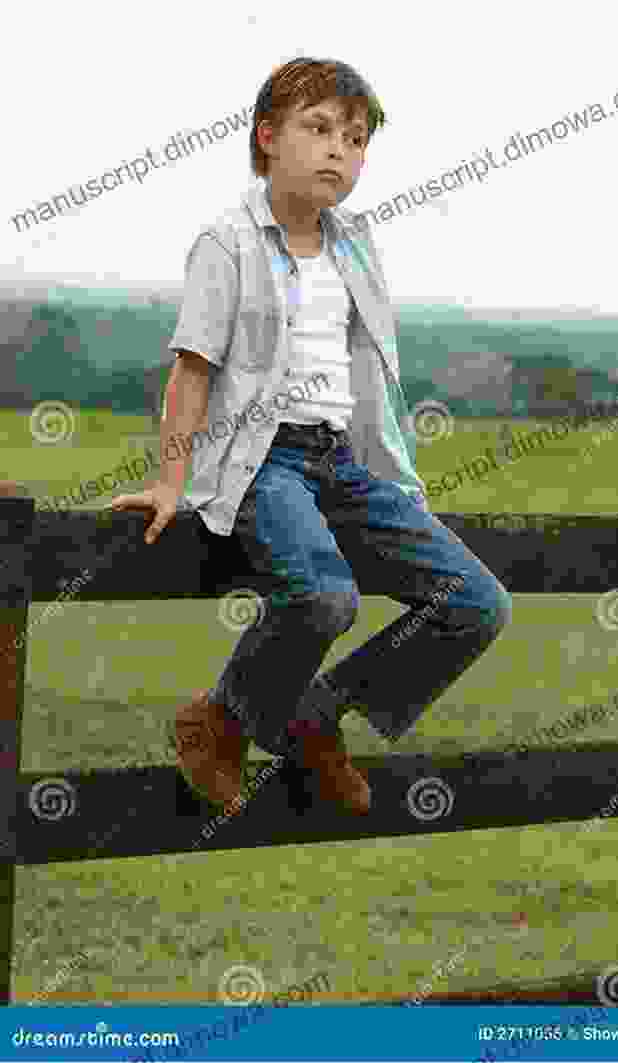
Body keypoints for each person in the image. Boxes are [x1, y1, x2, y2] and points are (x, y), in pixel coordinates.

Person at [107, 56, 513, 816]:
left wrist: (398, 484)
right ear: (267, 138)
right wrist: (171, 482)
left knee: (477, 602)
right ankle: (220, 716)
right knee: (324, 597)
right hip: (264, 462)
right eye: (318, 129)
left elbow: (372, 380)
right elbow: (191, 372)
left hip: (344, 463)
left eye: (355, 139)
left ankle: (317, 713)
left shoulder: (356, 246)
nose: (338, 150)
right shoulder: (225, 243)